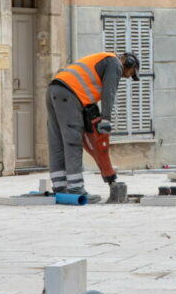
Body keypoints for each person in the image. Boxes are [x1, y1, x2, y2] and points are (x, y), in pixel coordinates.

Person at [46, 51, 140, 202]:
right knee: (73, 140)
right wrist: (106, 119)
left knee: (56, 141)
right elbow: (108, 93)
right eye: (131, 73)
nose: (128, 77)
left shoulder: (103, 59)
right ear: (128, 63)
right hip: (69, 94)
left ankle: (60, 188)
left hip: (54, 90)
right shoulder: (114, 64)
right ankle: (76, 189)